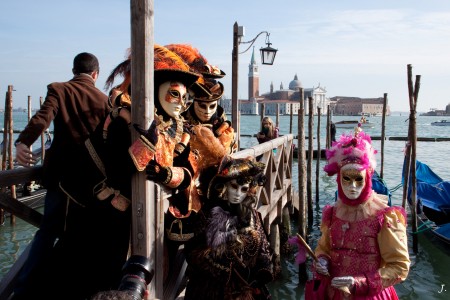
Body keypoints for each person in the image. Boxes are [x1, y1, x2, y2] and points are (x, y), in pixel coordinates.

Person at [12, 52, 109, 300]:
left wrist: (23, 142)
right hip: (90, 185)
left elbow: (43, 118)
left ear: (74, 70)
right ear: (96, 74)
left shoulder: (59, 89)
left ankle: (24, 291)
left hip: (59, 180)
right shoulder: (104, 100)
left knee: (47, 233)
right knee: (80, 236)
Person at [311, 127, 410, 299]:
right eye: (346, 180)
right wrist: (322, 261)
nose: (352, 187)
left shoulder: (384, 216)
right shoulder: (333, 213)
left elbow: (400, 266)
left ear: (368, 177)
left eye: (359, 179)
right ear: (339, 179)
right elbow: (324, 249)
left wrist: (359, 283)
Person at [184, 155, 276, 300]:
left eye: (244, 189)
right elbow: (192, 253)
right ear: (223, 186)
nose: (238, 194)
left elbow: (264, 248)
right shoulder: (208, 215)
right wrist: (227, 269)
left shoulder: (252, 215)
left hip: (245, 290)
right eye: (234, 187)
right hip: (211, 291)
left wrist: (260, 275)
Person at [165, 44, 237, 154]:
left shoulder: (221, 119)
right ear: (193, 103)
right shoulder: (180, 119)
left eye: (212, 106)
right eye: (202, 105)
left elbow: (230, 148)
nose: (207, 112)